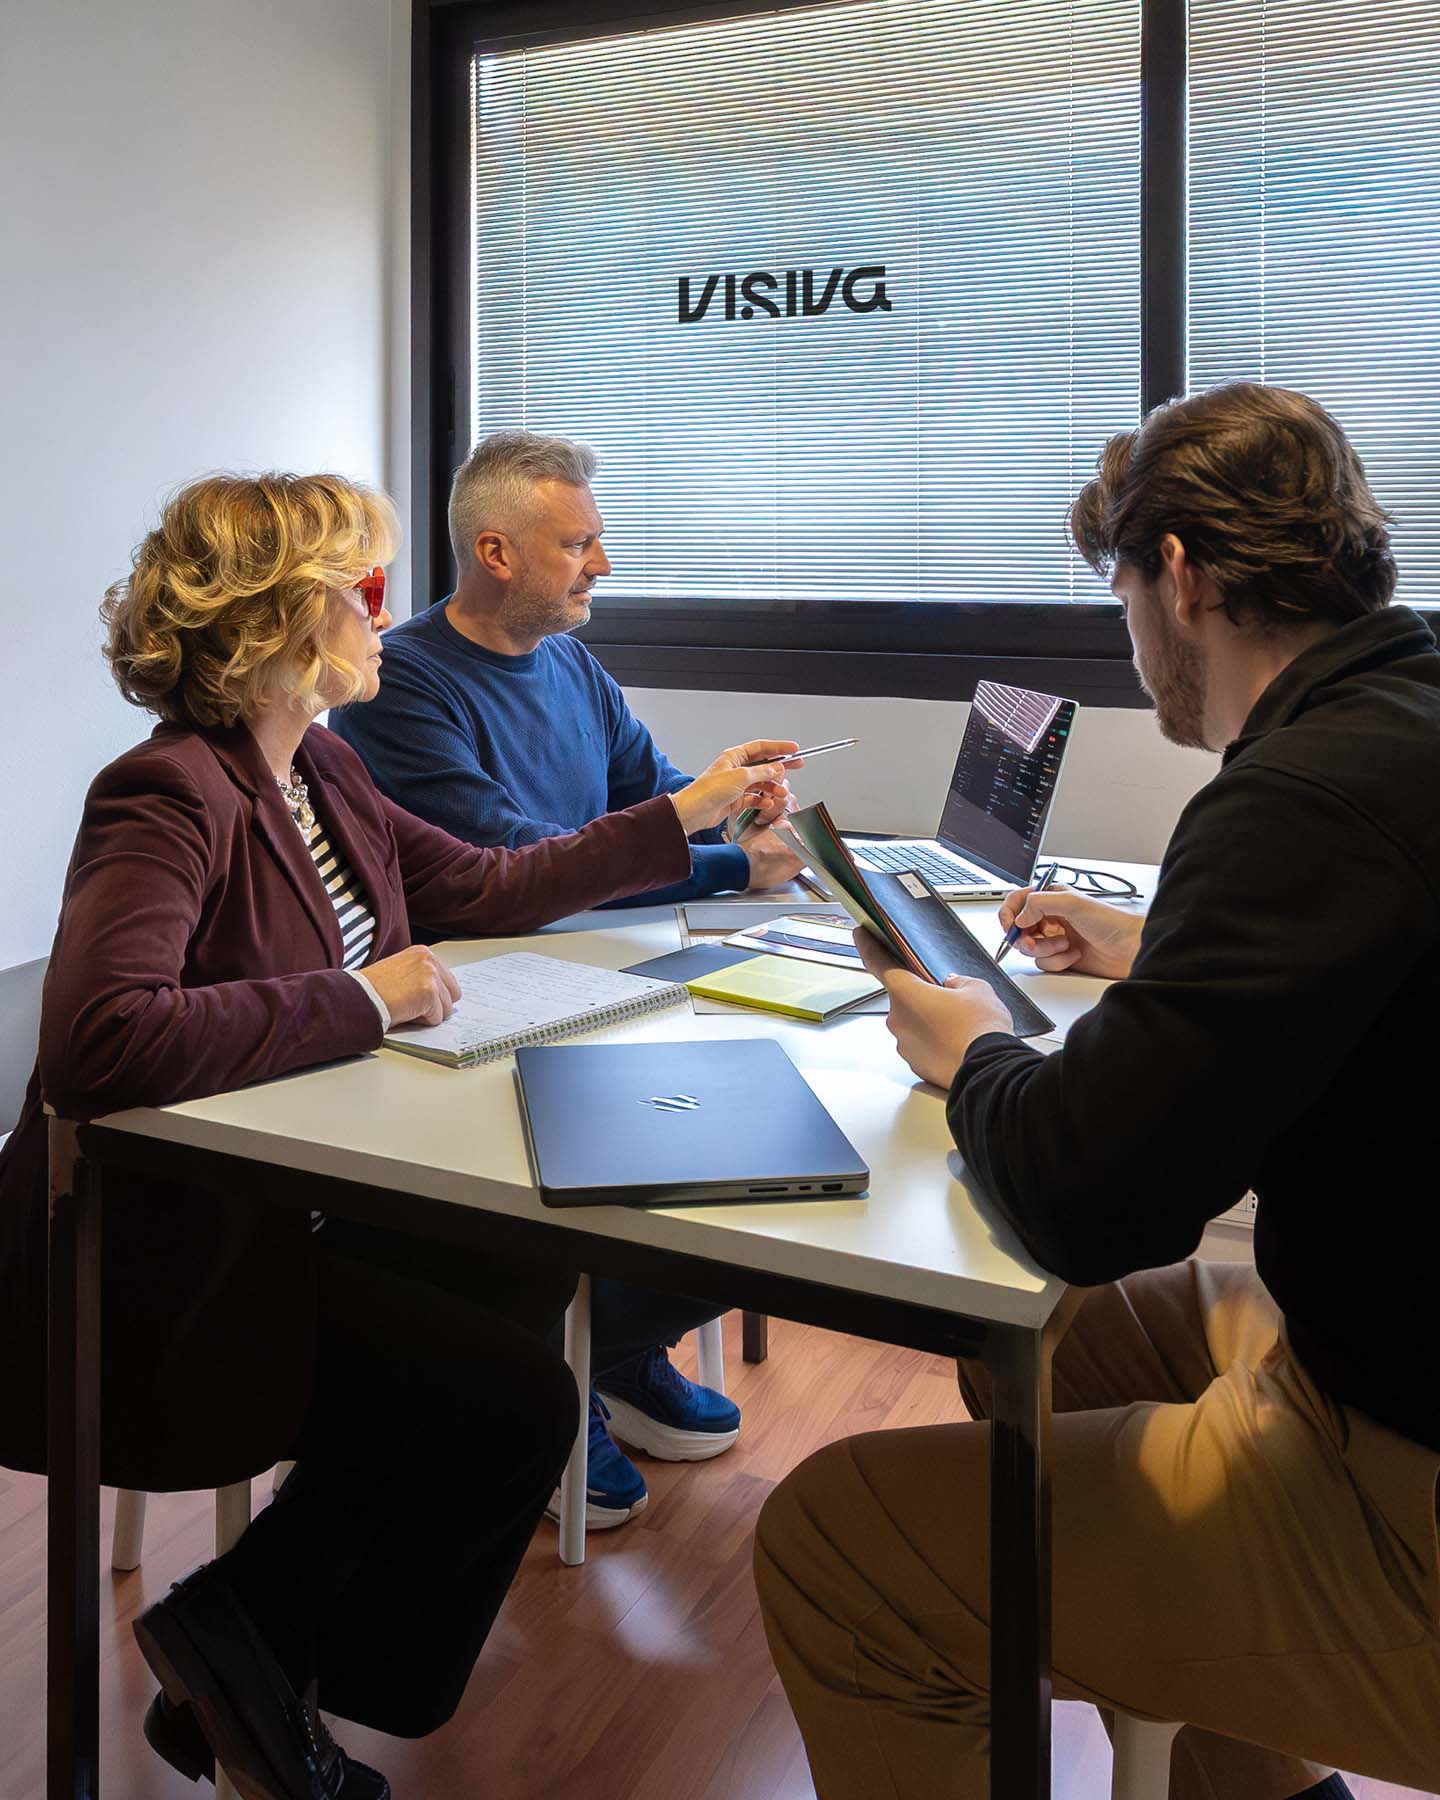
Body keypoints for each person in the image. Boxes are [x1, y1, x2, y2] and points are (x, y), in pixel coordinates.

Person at [0, 473, 788, 1800]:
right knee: (510, 1399)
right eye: (363, 594)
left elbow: (480, 885)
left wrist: (680, 817)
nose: (387, 617)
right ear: (283, 621)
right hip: (153, 1272)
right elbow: (101, 1040)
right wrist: (363, 996)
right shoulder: (166, 794)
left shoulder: (316, 767)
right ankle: (268, 1676)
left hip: (271, 1210)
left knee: (527, 1263)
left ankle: (244, 1655)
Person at [753, 383, 1440, 1800]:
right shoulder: (1399, 725)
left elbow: (1084, 1199)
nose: (1126, 644)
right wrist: (1164, 953)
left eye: (1119, 595)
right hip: (1383, 1339)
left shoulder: (1298, 797)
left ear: (1177, 576)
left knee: (839, 1546)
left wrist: (972, 1055)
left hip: (1412, 1483)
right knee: (1080, 1349)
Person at [330, 430, 806, 1525]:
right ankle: (564, 1369)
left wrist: (733, 801)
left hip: (593, 976)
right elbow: (523, 869)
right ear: (496, 551)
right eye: (578, 544)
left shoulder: (572, 662)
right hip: (482, 1008)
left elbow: (644, 793)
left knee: (759, 1146)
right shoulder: (401, 686)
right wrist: (731, 859)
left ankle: (618, 1343)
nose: (602, 564)